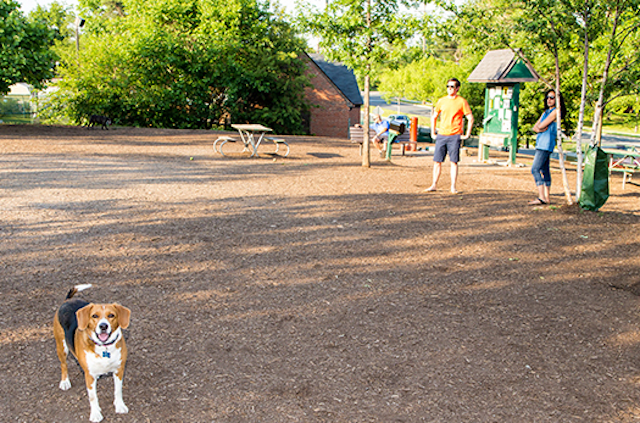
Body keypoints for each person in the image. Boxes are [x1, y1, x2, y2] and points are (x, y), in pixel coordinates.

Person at [425, 78, 473, 194]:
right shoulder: (441, 101)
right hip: (442, 134)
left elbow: (470, 118)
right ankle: (434, 184)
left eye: (452, 86)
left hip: (454, 135)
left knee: (454, 161)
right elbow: (434, 116)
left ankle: (453, 186)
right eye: (448, 86)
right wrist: (433, 132)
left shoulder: (462, 101)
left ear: (457, 88)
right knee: (437, 161)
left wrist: (467, 134)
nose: (449, 89)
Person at [528, 89, 563, 205]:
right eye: (547, 97)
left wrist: (540, 128)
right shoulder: (546, 112)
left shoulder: (556, 112)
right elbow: (535, 127)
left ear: (557, 99)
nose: (549, 100)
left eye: (552, 98)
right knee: (545, 170)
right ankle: (547, 197)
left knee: (535, 169)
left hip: (546, 144)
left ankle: (541, 196)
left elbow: (541, 125)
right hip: (540, 142)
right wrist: (539, 128)